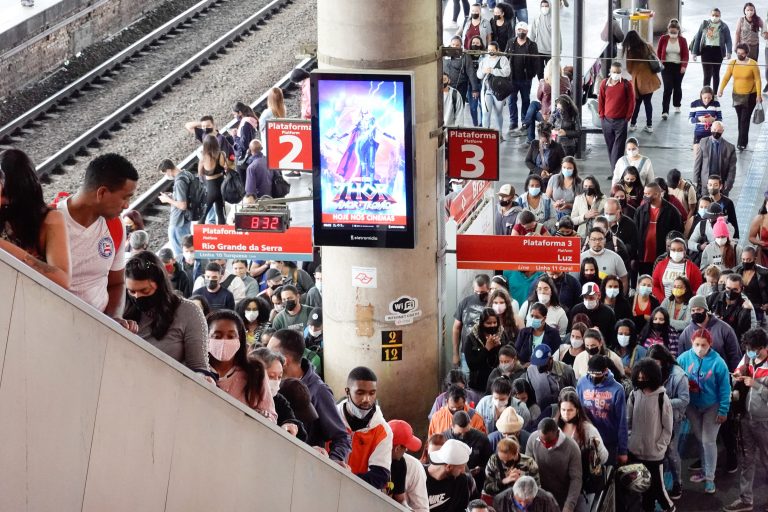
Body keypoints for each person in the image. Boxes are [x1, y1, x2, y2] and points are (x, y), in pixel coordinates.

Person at [59, 153, 138, 330]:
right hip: (54, 324)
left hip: (97, 331)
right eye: (125, 197)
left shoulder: (116, 226)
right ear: (101, 192)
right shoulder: (50, 221)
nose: (127, 205)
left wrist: (114, 318)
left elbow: (117, 283)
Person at [267, 329, 351, 462]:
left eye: (270, 353)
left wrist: (333, 463)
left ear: (285, 361)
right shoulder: (268, 384)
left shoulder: (318, 391)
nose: (266, 357)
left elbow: (341, 438)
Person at [124, 251, 210, 375]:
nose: (138, 297)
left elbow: (198, 366)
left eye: (145, 290)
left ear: (160, 285)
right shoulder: (121, 309)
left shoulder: (188, 312)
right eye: (132, 292)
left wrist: (204, 376)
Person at [0, 149, 70, 289]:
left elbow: (63, 280)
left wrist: (8, 249)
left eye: (6, 195)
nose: (3, 201)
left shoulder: (50, 219)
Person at [677, 328, 731, 494]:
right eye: (697, 344)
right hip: (692, 406)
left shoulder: (718, 362)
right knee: (700, 438)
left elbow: (725, 388)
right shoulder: (684, 358)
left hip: (712, 406)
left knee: (708, 440)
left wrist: (723, 410)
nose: (700, 348)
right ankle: (704, 469)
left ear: (710, 345)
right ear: (692, 343)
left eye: (704, 345)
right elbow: (676, 378)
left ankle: (709, 478)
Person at [725, 328, 768, 512]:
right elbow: (739, 369)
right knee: (747, 460)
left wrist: (756, 385)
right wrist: (737, 376)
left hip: (765, 422)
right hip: (745, 418)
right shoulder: (748, 356)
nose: (750, 352)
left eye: (754, 349)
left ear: (764, 347)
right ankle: (745, 499)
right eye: (748, 348)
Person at [207, 310, 276, 421]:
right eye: (217, 336)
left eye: (231, 336)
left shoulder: (255, 371)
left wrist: (264, 417)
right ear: (206, 338)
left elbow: (270, 415)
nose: (224, 341)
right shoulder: (198, 370)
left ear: (240, 339)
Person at [626, 358, 674, 512]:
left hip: (654, 455)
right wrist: (631, 440)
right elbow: (628, 421)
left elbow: (668, 428)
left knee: (659, 489)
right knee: (643, 487)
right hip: (636, 452)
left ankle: (670, 508)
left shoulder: (662, 398)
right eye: (639, 378)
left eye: (644, 378)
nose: (641, 381)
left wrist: (659, 446)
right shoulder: (634, 395)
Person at [336, 367, 392, 489]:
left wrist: (344, 479)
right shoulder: (331, 418)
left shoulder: (383, 430)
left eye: (372, 393)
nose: (367, 399)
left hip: (360, 495)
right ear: (347, 391)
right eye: (360, 393)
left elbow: (380, 476)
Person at [647, 344, 690, 500]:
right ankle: (659, 484)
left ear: (664, 361)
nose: (653, 367)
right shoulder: (649, 370)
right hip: (653, 418)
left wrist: (663, 401)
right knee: (657, 452)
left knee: (671, 451)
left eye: (656, 363)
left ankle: (677, 483)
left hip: (673, 418)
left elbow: (685, 400)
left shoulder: (679, 375)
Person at [555, 388, 608, 501]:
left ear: (577, 410)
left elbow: (604, 457)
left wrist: (595, 449)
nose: (566, 414)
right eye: (563, 410)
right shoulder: (555, 427)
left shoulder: (588, 430)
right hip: (560, 482)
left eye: (570, 410)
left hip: (582, 483)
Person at [577, 355, 628, 466]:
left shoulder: (617, 389)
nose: (594, 377)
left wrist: (623, 451)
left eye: (598, 374)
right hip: (587, 440)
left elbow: (622, 421)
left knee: (608, 476)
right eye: (592, 374)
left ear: (605, 371)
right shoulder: (581, 383)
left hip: (608, 442)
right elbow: (578, 411)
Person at [525, 418, 582, 512]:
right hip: (538, 496)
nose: (545, 444)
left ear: (558, 433)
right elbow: (527, 469)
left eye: (549, 441)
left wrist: (569, 506)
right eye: (542, 440)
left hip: (562, 498)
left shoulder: (572, 448)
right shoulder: (533, 439)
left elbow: (576, 479)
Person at [249, 347, 304, 438]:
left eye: (279, 377)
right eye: (271, 376)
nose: (276, 381)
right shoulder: (239, 394)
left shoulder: (279, 400)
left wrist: (288, 426)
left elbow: (292, 421)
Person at [677, 295, 742, 371]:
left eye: (699, 309)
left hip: (720, 375)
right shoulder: (686, 333)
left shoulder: (724, 329)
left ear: (705, 310)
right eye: (693, 310)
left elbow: (735, 356)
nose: (695, 313)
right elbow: (682, 360)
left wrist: (734, 375)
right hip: (695, 378)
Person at [718, 43, 763, 151]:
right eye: (738, 53)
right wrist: (721, 89)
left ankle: (741, 143)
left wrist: (758, 95)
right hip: (737, 95)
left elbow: (757, 80)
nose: (740, 55)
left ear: (747, 53)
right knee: (740, 119)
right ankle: (743, 140)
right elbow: (726, 77)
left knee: (744, 119)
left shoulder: (753, 64)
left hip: (750, 96)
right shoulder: (732, 63)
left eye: (742, 54)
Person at [635, 182, 683, 276]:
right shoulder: (640, 211)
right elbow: (635, 231)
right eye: (644, 193)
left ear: (657, 194)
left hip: (662, 256)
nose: (644, 196)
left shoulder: (672, 212)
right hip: (644, 256)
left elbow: (678, 233)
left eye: (647, 194)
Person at [520, 61, 570, 144]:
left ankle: (529, 137)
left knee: (532, 112)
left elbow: (539, 96)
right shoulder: (566, 80)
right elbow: (569, 94)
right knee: (533, 104)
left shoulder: (543, 82)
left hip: (547, 115)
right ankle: (526, 123)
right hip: (561, 112)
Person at [598, 60, 636, 171]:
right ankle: (615, 170)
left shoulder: (626, 85)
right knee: (610, 147)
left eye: (618, 72)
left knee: (618, 149)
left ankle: (616, 171)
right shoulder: (604, 84)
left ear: (621, 72)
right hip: (606, 121)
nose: (615, 74)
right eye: (614, 71)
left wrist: (627, 118)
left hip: (621, 122)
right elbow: (601, 100)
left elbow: (631, 102)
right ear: (610, 71)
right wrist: (602, 117)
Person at [443, 410, 493, 493]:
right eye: (459, 433)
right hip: (450, 484)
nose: (462, 436)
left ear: (470, 423)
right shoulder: (444, 438)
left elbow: (489, 464)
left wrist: (480, 470)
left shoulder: (482, 439)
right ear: (452, 426)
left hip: (475, 484)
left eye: (466, 433)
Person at [505, 22, 541, 134]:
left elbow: (536, 62)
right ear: (516, 31)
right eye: (519, 30)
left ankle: (524, 121)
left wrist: (532, 74)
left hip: (526, 79)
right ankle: (513, 121)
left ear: (527, 32)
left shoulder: (532, 45)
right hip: (512, 78)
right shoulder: (510, 42)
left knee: (525, 100)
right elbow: (506, 58)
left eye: (523, 30)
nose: (521, 32)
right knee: (512, 100)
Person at [623, 30, 661, 133]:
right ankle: (649, 126)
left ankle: (632, 124)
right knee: (648, 103)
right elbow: (655, 57)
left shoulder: (631, 52)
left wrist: (636, 72)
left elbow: (629, 68)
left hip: (638, 82)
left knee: (637, 103)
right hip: (650, 79)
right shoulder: (647, 46)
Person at [388, 419, 429, 511]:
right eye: (405, 447)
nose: (406, 450)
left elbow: (401, 499)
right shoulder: (371, 462)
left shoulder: (403, 465)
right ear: (397, 448)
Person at [464, 307, 508, 392]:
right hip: (478, 386)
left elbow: (507, 357)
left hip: (499, 384)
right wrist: (486, 349)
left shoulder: (502, 335)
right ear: (482, 323)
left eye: (494, 322)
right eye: (488, 323)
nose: (492, 325)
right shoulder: (472, 338)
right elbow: (472, 365)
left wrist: (499, 347)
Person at [156, 159, 193, 257]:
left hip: (179, 221)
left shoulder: (179, 182)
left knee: (181, 253)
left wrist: (167, 200)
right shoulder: (186, 174)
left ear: (168, 170)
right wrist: (173, 195)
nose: (166, 176)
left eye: (164, 173)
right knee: (189, 248)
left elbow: (182, 205)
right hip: (186, 219)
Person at [692, 8, 733, 94]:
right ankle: (705, 93)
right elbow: (698, 37)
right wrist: (694, 53)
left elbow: (728, 40)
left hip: (718, 51)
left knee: (716, 73)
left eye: (717, 15)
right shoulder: (704, 24)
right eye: (713, 15)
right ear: (710, 15)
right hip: (706, 50)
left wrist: (729, 51)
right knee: (707, 74)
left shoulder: (724, 26)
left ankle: (714, 94)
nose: (715, 17)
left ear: (720, 16)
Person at [453, 274, 491, 367]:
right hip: (466, 353)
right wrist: (455, 354)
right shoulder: (465, 302)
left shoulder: (493, 303)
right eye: (476, 291)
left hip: (488, 352)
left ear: (489, 289)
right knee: (466, 379)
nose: (479, 295)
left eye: (482, 292)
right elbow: (456, 328)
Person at [424, 439, 472, 512]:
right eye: (461, 467)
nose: (463, 471)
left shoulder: (461, 480)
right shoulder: (418, 475)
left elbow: (461, 509)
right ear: (449, 467)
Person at [525, 344, 576, 412]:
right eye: (537, 363)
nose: (539, 367)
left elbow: (574, 393)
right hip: (541, 411)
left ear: (551, 359)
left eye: (542, 363)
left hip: (562, 411)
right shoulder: (531, 371)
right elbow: (529, 395)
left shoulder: (566, 370)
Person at [652, 237, 703, 301]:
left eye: (680, 250)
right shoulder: (660, 265)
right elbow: (654, 285)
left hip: (685, 305)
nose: (676, 252)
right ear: (670, 251)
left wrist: (685, 301)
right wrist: (664, 301)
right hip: (664, 304)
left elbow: (698, 289)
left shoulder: (694, 268)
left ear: (685, 251)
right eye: (673, 249)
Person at [657, 19, 689, 119]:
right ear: (668, 30)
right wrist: (661, 62)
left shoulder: (683, 40)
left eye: (675, 32)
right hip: (666, 66)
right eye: (671, 32)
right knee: (667, 88)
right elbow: (658, 51)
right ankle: (665, 111)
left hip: (678, 66)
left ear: (678, 31)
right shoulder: (663, 38)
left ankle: (677, 104)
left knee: (677, 87)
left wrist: (683, 66)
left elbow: (685, 55)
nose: (673, 34)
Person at [706, 273, 753, 341]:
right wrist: (710, 318)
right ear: (725, 286)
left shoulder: (745, 305)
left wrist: (746, 311)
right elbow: (699, 310)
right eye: (728, 288)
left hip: (731, 341)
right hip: (712, 338)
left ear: (741, 289)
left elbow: (743, 331)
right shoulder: (714, 297)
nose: (731, 292)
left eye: (735, 289)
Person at [478, 41, 511, 134]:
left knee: (498, 113)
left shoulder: (503, 59)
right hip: (487, 89)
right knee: (485, 112)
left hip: (499, 90)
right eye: (489, 50)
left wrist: (492, 71)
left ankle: (499, 133)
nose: (490, 52)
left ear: (497, 50)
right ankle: (486, 133)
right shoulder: (484, 60)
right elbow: (479, 75)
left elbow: (507, 72)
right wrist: (484, 71)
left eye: (492, 50)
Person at [444, 36, 480, 116]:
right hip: (446, 87)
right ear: (450, 44)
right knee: (447, 110)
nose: (455, 47)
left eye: (457, 45)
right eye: (453, 44)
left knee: (458, 109)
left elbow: (471, 72)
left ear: (461, 46)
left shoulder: (465, 56)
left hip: (461, 87)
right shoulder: (445, 55)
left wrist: (475, 89)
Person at [197, 134, 227, 224]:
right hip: (221, 185)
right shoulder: (222, 154)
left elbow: (200, 173)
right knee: (220, 213)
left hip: (211, 187)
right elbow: (225, 168)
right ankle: (222, 236)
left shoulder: (203, 157)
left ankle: (198, 236)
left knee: (203, 215)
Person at [734, 246, 768, 321]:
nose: (745, 262)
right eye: (743, 259)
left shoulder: (763, 273)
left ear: (754, 259)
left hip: (757, 309)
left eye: (749, 259)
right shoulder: (736, 271)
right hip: (740, 309)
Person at [494, 476, 560, 512]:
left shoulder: (547, 500)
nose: (523, 505)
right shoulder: (500, 501)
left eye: (528, 501)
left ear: (535, 495)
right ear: (514, 493)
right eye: (519, 501)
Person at [689, 86, 723, 153]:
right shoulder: (694, 104)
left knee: (710, 154)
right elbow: (690, 120)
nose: (707, 100)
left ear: (712, 96)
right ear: (701, 95)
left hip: (712, 134)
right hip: (698, 133)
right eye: (705, 98)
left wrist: (713, 119)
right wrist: (699, 119)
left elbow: (720, 120)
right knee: (697, 154)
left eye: (709, 98)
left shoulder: (716, 104)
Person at [466, 36, 486, 127]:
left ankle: (482, 124)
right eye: (473, 43)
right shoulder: (467, 55)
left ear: (481, 44)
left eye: (477, 43)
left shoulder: (485, 55)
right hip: (471, 85)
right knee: (473, 107)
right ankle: (475, 124)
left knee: (483, 106)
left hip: (482, 84)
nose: (475, 45)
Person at [259, 87, 286, 155]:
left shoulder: (266, 113)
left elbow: (261, 129)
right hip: (279, 144)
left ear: (269, 99)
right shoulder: (283, 110)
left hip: (268, 148)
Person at [748, 194, 768, 266]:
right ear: (765, 204)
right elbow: (751, 237)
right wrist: (760, 242)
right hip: (763, 254)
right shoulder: (759, 218)